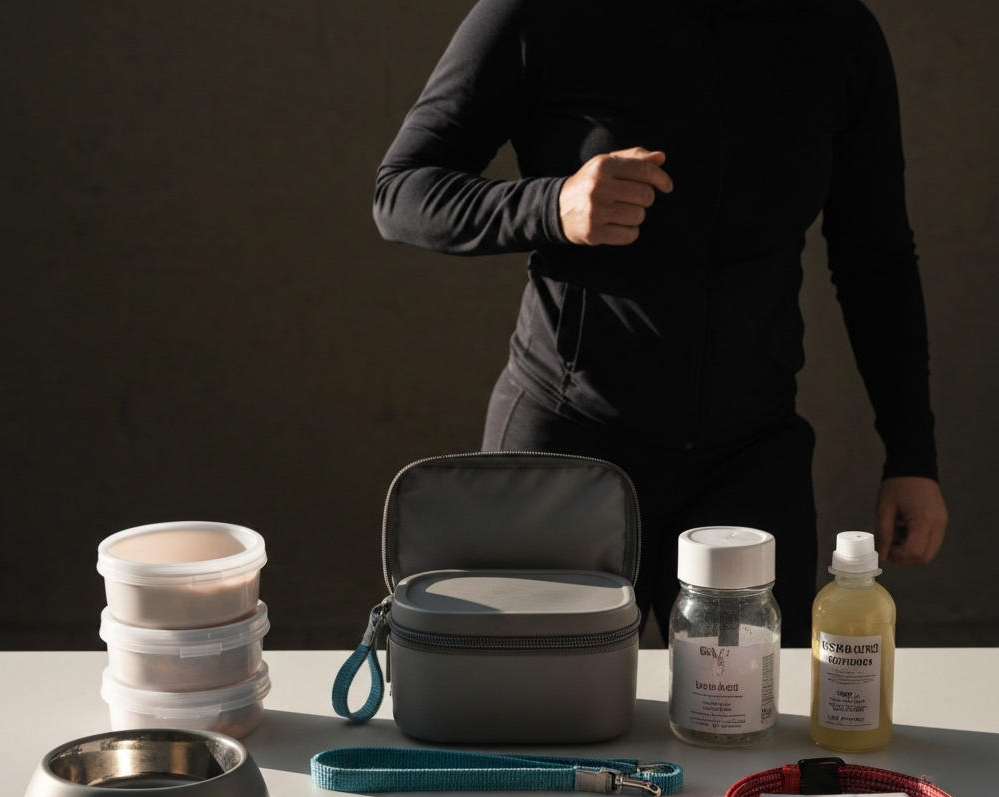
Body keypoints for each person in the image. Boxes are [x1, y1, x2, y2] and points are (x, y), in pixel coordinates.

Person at [372, 0, 948, 646]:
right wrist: (551, 204)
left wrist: (912, 456)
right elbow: (401, 193)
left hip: (750, 460)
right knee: (539, 726)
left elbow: (877, 259)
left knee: (747, 729)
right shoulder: (537, 14)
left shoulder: (836, 30)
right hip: (568, 452)